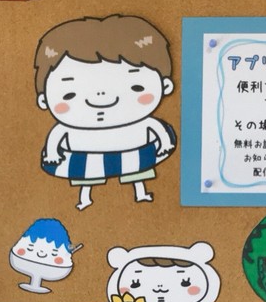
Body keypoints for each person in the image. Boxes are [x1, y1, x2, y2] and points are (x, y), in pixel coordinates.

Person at [35, 14, 176, 210]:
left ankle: (140, 192)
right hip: (84, 158)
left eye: (136, 87)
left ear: (165, 86)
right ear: (44, 100)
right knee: (86, 177)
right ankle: (85, 197)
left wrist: (165, 143)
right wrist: (52, 154)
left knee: (137, 172)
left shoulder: (143, 123)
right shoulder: (68, 129)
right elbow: (56, 137)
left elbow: (157, 129)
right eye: (69, 94)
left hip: (136, 153)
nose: (100, 98)